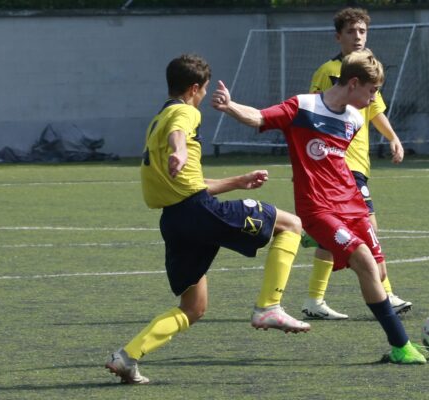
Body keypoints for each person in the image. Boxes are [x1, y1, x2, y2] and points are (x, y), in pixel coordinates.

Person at [105, 54, 310, 385]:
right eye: (202, 92)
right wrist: (180, 149)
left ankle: (127, 357)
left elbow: (190, 183)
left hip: (175, 220)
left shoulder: (156, 120)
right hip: (198, 212)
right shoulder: (184, 112)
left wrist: (237, 182)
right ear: (194, 88)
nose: (202, 99)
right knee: (292, 224)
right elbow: (179, 133)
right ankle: (269, 306)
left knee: (193, 307)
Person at [212, 49, 426, 364]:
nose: (374, 99)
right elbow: (259, 116)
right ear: (354, 83)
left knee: (378, 272)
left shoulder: (353, 119)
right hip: (318, 209)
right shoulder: (302, 107)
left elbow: (332, 161)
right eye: (372, 91)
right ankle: (401, 345)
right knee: (364, 261)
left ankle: (398, 341)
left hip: (352, 205)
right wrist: (230, 106)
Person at [301, 7, 411, 321]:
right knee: (368, 226)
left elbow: (375, 111)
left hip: (359, 162)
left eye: (362, 31)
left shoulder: (368, 71)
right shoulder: (329, 71)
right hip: (339, 163)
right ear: (339, 37)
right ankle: (386, 293)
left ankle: (314, 300)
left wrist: (393, 138)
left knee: (333, 234)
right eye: (351, 31)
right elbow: (312, 112)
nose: (358, 37)